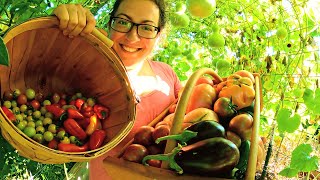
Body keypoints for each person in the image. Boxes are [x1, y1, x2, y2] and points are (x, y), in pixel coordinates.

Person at [53, 0, 182, 179]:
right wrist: (63, 18)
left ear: (158, 35)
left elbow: (189, 113)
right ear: (110, 25)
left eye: (146, 27)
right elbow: (53, 65)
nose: (132, 37)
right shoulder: (88, 72)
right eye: (123, 22)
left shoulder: (167, 73)